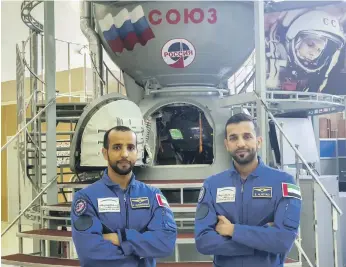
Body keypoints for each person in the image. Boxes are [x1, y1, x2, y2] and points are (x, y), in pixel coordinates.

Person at [194, 113, 302, 267]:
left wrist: (232, 230)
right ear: (226, 144)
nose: (240, 144)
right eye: (233, 138)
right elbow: (203, 242)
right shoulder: (212, 185)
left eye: (247, 136)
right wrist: (262, 242)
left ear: (258, 141)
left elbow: (283, 241)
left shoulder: (283, 183)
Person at [71, 126, 177, 267]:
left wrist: (121, 238)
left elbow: (166, 242)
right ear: (105, 153)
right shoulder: (86, 198)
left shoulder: (152, 195)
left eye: (130, 147)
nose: (124, 154)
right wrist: (140, 255)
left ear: (137, 152)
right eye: (117, 147)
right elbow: (89, 253)